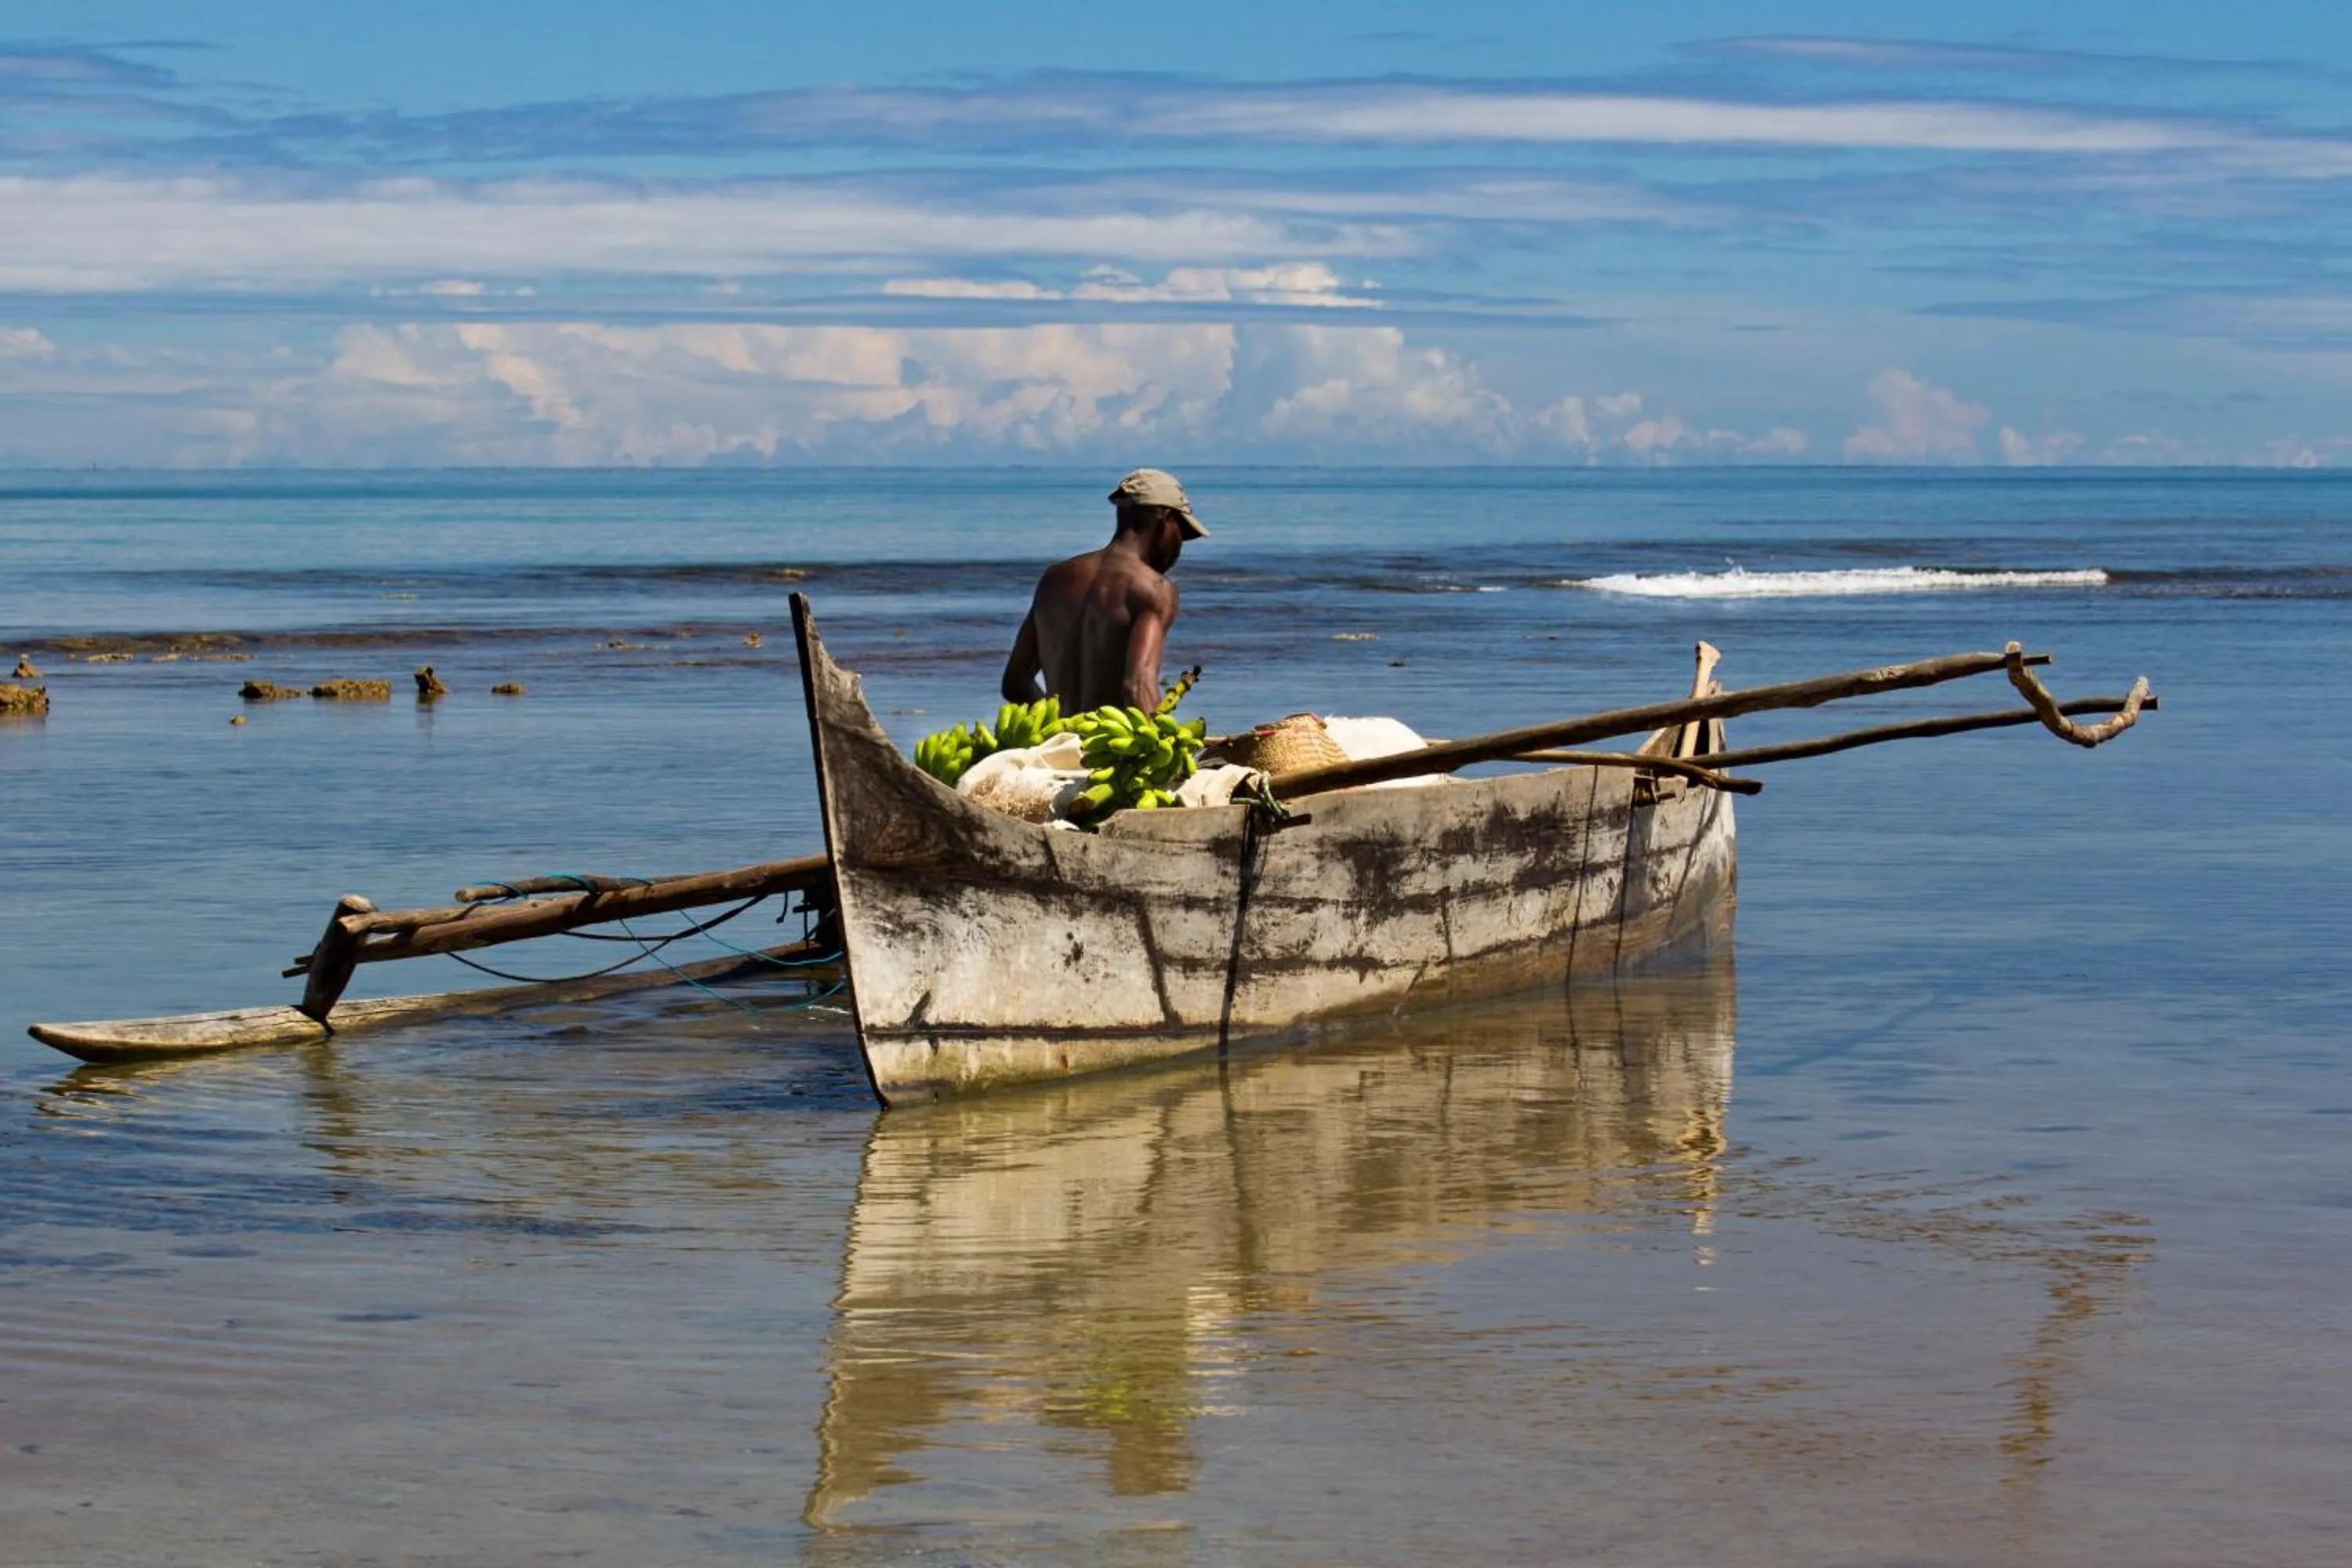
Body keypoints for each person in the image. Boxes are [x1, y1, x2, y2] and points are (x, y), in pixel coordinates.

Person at [1000, 468, 1207, 713]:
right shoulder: (1154, 589)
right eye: (1181, 534)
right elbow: (1137, 685)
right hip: (1114, 749)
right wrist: (1163, 744)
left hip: (1057, 747)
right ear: (1165, 517)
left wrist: (1058, 726)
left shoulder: (1055, 578)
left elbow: (1016, 682)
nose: (1179, 547)